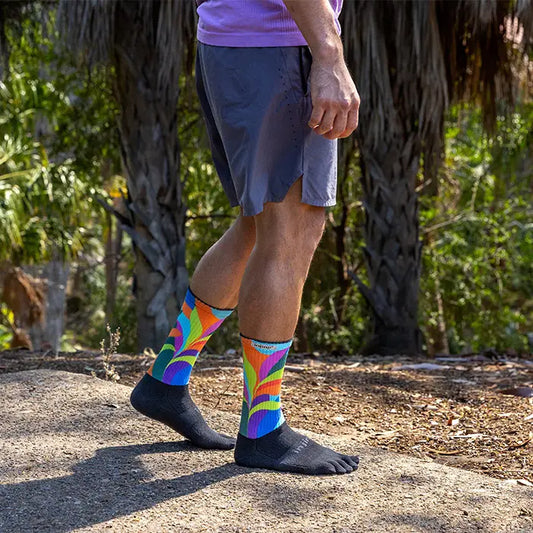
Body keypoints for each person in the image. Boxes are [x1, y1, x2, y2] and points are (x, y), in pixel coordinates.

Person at [131, 0, 361, 475]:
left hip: (240, 45)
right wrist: (329, 54)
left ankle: (167, 379)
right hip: (276, 46)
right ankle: (262, 429)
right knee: (290, 230)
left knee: (261, 225)